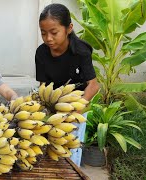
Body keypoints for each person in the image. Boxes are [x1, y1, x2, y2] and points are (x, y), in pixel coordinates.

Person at [35, 4, 100, 166]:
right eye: (43, 33)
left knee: (71, 152)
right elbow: (43, 86)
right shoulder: (41, 53)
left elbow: (93, 86)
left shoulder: (80, 51)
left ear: (69, 28)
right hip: (52, 106)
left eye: (54, 32)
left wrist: (73, 114)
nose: (48, 38)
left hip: (77, 106)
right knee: (50, 150)